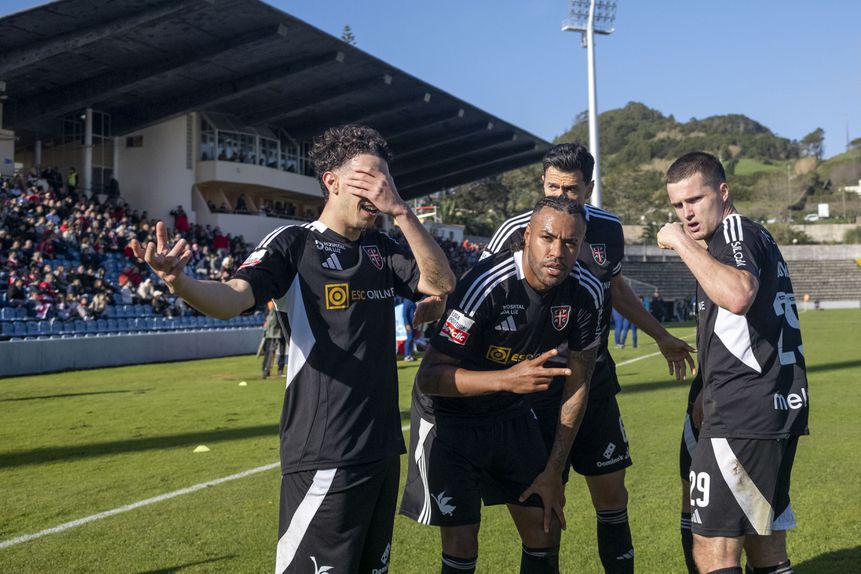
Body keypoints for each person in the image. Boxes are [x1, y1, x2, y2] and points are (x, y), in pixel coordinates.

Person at [130, 124, 455, 574]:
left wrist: (401, 211)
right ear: (332, 181)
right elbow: (233, 298)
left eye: (386, 180)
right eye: (367, 178)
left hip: (381, 451)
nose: (379, 190)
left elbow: (441, 283)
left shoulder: (383, 247)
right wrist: (180, 282)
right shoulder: (294, 243)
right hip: (323, 450)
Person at [480, 143, 695, 573]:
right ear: (542, 184)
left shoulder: (609, 230)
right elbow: (482, 299)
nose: (562, 197)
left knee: (613, 496)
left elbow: (617, 291)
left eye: (572, 189)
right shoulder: (515, 231)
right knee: (544, 512)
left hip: (593, 380)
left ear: (590, 188)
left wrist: (661, 336)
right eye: (553, 187)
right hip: (535, 391)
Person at [400, 197, 601, 573]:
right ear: (527, 237)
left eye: (570, 242)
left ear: (582, 245)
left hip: (509, 413)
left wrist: (553, 471)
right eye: (547, 238)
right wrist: (508, 379)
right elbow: (429, 377)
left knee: (545, 526)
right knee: (462, 541)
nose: (557, 251)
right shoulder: (487, 283)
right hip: (450, 418)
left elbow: (577, 386)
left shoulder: (585, 292)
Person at [658, 151, 809, 574]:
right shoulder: (741, 239)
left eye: (695, 200)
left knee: (713, 550)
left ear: (723, 193)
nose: (685, 214)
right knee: (766, 547)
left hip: (744, 415)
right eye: (677, 206)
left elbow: (739, 293)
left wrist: (681, 243)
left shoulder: (734, 231)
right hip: (768, 409)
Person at [262, 301, 286, 379]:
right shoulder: (270, 303)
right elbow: (268, 315)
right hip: (273, 330)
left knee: (281, 350)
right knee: (270, 351)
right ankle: (266, 371)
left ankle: (279, 371)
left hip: (281, 328)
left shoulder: (276, 302)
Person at [402, 296, 417, 361]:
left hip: (413, 323)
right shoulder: (407, 301)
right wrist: (406, 324)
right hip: (409, 324)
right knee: (409, 338)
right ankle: (407, 355)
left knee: (412, 339)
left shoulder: (412, 301)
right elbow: (404, 314)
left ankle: (410, 355)